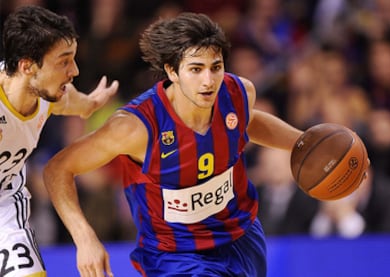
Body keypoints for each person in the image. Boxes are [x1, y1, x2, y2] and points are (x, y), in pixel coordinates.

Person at [43, 12, 303, 277]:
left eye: (216, 67)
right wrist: (84, 237)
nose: (208, 81)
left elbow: (246, 121)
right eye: (195, 69)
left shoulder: (239, 93)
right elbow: (58, 169)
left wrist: (303, 143)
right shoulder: (135, 127)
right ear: (172, 71)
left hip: (241, 237)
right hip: (175, 255)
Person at [0, 5, 118, 277]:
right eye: (64, 61)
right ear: (27, 66)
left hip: (4, 201)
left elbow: (79, 103)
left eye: (73, 59)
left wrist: (92, 103)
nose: (74, 70)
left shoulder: (50, 95)